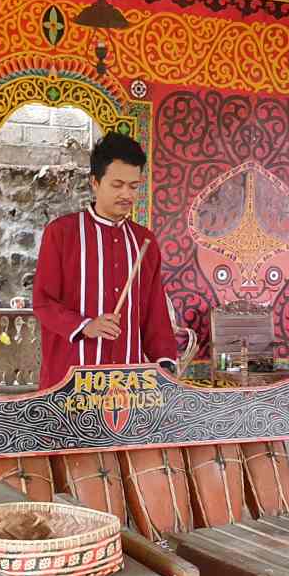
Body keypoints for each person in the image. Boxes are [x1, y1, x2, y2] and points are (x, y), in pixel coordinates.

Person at [32, 131, 179, 389]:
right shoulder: (62, 233)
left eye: (134, 186)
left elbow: (155, 313)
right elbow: (43, 303)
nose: (127, 194)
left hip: (127, 383)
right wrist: (85, 325)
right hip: (68, 381)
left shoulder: (144, 241)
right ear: (95, 183)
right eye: (117, 184)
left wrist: (165, 363)